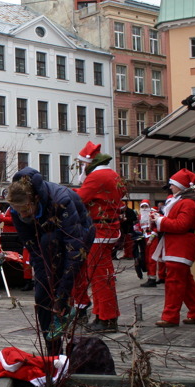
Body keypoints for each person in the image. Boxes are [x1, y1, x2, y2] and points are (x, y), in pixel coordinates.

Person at [6, 167, 94, 354]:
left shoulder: (61, 201)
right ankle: (52, 349)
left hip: (76, 238)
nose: (22, 215)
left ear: (35, 198)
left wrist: (62, 294)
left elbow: (74, 249)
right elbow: (33, 248)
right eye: (18, 211)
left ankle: (66, 326)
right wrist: (43, 280)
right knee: (42, 294)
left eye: (25, 210)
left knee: (61, 284)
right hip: (47, 243)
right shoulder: (16, 210)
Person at [72, 141, 126, 333]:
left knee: (100, 278)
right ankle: (104, 315)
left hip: (100, 231)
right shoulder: (111, 174)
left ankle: (107, 318)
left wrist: (63, 192)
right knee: (102, 276)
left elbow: (80, 199)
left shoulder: (97, 176)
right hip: (107, 229)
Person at [151, 169, 195, 327]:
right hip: (177, 244)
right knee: (186, 283)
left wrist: (160, 220)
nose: (170, 187)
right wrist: (159, 220)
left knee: (174, 283)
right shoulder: (183, 201)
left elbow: (182, 225)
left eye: (172, 184)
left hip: (180, 245)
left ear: (181, 186)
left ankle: (170, 317)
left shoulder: (187, 203)